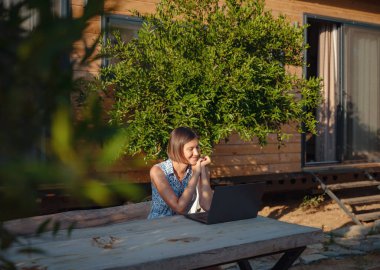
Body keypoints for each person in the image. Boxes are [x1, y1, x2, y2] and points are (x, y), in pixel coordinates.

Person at [148, 127, 213, 219]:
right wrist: (195, 174)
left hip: (183, 225)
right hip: (158, 227)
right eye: (191, 149)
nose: (196, 153)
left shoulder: (198, 167)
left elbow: (208, 206)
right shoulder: (158, 171)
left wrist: (202, 170)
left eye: (197, 147)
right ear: (177, 149)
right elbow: (179, 208)